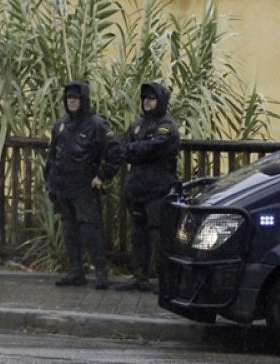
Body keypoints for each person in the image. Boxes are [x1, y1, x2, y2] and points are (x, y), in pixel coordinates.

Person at [44, 81, 117, 289]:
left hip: (84, 187)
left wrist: (102, 176)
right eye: (69, 98)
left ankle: (101, 273)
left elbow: (115, 151)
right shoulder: (61, 124)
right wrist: (50, 181)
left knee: (90, 229)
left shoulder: (96, 124)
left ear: (83, 99)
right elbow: (52, 156)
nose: (72, 101)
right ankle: (76, 271)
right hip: (63, 186)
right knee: (69, 230)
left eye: (75, 98)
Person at [114, 81, 180, 292]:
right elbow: (121, 149)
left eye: (151, 98)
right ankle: (139, 275)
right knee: (138, 234)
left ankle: (165, 281)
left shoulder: (167, 126)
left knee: (158, 235)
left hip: (158, 189)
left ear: (160, 101)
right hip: (137, 188)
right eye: (145, 98)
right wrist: (135, 149)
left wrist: (135, 149)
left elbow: (154, 147)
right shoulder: (137, 125)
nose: (147, 102)